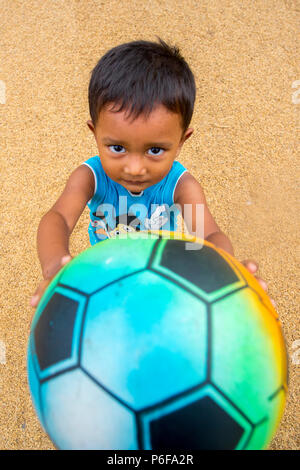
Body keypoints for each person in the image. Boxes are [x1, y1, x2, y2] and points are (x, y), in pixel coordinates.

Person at [30, 38, 272, 309]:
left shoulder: (183, 186)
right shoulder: (90, 176)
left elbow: (210, 235)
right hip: (105, 276)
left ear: (182, 140)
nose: (135, 168)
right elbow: (58, 218)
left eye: (155, 150)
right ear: (94, 133)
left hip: (162, 276)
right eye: (117, 147)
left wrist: (220, 267)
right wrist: (55, 268)